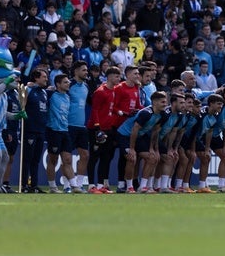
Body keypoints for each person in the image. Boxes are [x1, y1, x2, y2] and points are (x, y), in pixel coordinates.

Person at [118, 91, 168, 193]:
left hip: (140, 136)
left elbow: (155, 132)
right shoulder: (146, 113)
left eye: (165, 102)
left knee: (152, 157)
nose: (165, 104)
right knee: (132, 158)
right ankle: (129, 187)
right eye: (163, 102)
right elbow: (134, 130)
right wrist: (132, 149)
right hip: (125, 135)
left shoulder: (162, 115)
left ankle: (143, 187)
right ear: (155, 102)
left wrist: (153, 149)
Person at [46, 74, 85, 193]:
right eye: (65, 82)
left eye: (68, 82)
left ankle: (74, 186)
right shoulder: (51, 95)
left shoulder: (67, 97)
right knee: (53, 160)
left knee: (67, 159)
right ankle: (53, 187)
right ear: (58, 84)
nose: (68, 84)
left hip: (65, 131)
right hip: (54, 131)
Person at [86, 66, 122, 194]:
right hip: (97, 129)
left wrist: (120, 112)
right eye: (117, 76)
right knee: (94, 157)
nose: (119, 79)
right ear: (110, 77)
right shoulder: (100, 92)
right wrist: (97, 128)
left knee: (105, 157)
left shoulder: (113, 91)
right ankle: (91, 186)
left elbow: (110, 109)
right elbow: (94, 110)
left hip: (108, 129)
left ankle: (101, 186)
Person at [21, 69, 49, 193]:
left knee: (36, 160)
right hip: (30, 130)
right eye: (44, 77)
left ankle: (34, 185)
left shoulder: (44, 92)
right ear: (36, 78)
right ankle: (23, 185)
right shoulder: (28, 89)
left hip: (41, 130)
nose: (46, 79)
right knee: (27, 159)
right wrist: (26, 86)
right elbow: (22, 105)